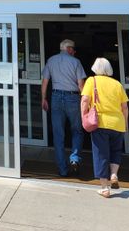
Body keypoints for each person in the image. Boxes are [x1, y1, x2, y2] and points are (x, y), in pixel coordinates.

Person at [81, 57, 129, 198]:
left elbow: (85, 100)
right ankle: (114, 174)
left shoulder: (92, 81)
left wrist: (83, 116)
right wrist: (125, 122)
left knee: (101, 154)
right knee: (116, 151)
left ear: (95, 68)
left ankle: (104, 188)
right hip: (118, 123)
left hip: (100, 123)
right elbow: (124, 107)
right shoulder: (117, 84)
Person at [41, 39, 86, 176]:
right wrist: (86, 102)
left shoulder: (51, 60)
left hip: (55, 97)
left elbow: (45, 82)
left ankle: (62, 169)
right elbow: (81, 85)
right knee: (77, 130)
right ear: (69, 49)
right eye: (74, 49)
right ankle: (74, 158)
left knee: (58, 134)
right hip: (72, 97)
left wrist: (43, 98)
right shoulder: (76, 62)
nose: (75, 51)